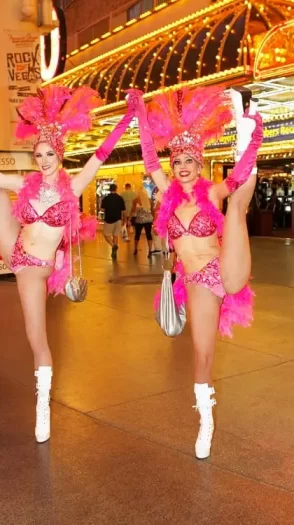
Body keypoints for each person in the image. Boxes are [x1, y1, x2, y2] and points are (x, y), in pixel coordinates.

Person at [0, 84, 134, 443]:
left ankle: (43, 403)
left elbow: (100, 155)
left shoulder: (74, 187)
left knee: (37, 337)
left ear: (60, 153)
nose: (42, 160)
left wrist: (128, 118)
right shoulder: (27, 182)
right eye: (38, 154)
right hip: (18, 252)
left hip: (37, 266)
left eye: (48, 154)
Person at [129, 86, 263, 460]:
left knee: (238, 201)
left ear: (199, 163)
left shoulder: (212, 192)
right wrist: (140, 113)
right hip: (197, 282)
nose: (183, 166)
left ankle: (245, 124)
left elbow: (238, 178)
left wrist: (249, 142)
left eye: (189, 159)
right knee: (202, 355)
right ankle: (206, 420)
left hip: (224, 268)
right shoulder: (166, 191)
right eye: (178, 161)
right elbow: (149, 158)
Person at [101, 183, 126, 259]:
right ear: (116, 189)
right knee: (115, 235)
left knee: (106, 235)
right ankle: (114, 250)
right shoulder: (120, 198)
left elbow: (102, 209)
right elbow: (123, 210)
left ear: (109, 189)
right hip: (118, 219)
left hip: (108, 219)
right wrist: (124, 220)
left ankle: (113, 246)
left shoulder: (106, 198)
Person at [130, 187, 154, 257]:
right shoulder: (149, 200)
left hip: (139, 220)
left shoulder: (136, 200)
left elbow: (133, 210)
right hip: (148, 220)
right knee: (148, 235)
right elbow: (152, 211)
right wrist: (154, 219)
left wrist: (129, 219)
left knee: (137, 235)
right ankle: (150, 251)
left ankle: (135, 249)